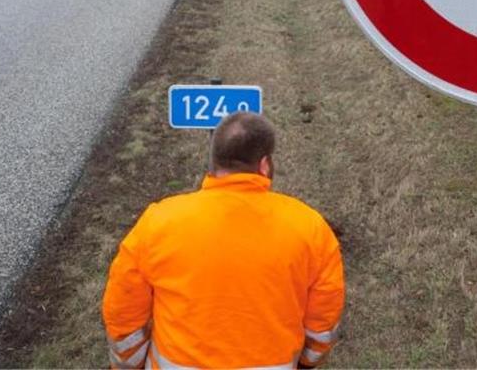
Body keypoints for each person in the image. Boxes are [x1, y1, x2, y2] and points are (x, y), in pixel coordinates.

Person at [102, 111, 344, 369]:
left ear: (213, 163)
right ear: (264, 165)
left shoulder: (159, 221)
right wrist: (306, 363)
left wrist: (131, 365)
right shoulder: (310, 227)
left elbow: (122, 314)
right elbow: (323, 320)